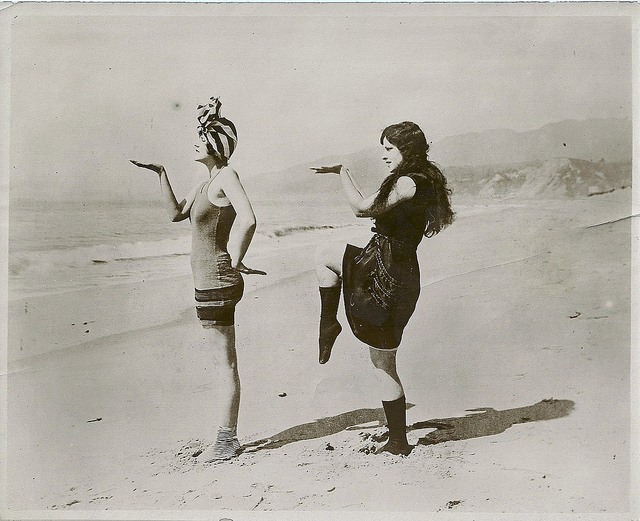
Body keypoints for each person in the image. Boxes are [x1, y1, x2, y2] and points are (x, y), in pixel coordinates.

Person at [131, 97, 265, 463]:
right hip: (208, 282)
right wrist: (161, 173)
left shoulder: (226, 176)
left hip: (218, 280)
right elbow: (176, 214)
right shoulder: (205, 182)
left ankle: (226, 442)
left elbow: (249, 219)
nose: (194, 142)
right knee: (222, 363)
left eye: (201, 136)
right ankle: (225, 437)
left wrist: (236, 261)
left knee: (225, 365)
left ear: (215, 144)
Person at [311, 121, 454, 456]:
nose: (384, 155)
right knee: (384, 361)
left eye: (389, 148)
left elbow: (362, 208)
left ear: (407, 149)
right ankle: (398, 440)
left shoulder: (406, 182)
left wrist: (342, 172)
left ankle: (328, 322)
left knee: (323, 255)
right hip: (402, 272)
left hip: (385, 272)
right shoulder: (425, 178)